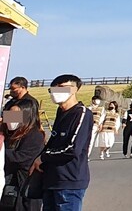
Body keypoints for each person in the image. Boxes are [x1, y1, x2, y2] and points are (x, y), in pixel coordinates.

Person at [30, 74, 93, 211]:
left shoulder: (81, 113)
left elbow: (72, 148)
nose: (56, 92)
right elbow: (53, 141)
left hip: (69, 180)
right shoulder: (60, 112)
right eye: (53, 89)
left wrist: (43, 157)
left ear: (75, 89)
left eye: (62, 88)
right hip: (51, 179)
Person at [3, 99, 45, 211]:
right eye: (9, 115)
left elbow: (20, 159)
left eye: (15, 115)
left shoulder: (35, 135)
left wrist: (2, 151)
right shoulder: (10, 133)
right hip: (9, 185)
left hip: (26, 187)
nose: (10, 118)